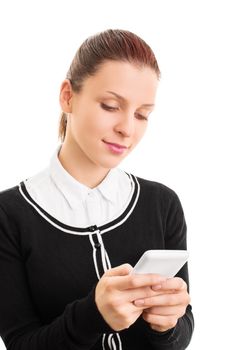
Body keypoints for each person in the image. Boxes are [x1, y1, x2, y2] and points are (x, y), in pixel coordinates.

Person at [0, 29, 194, 350]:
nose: (127, 129)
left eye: (142, 114)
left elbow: (181, 331)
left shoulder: (162, 204)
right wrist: (93, 315)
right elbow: (21, 343)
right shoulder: (9, 215)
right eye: (110, 105)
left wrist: (168, 325)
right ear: (68, 96)